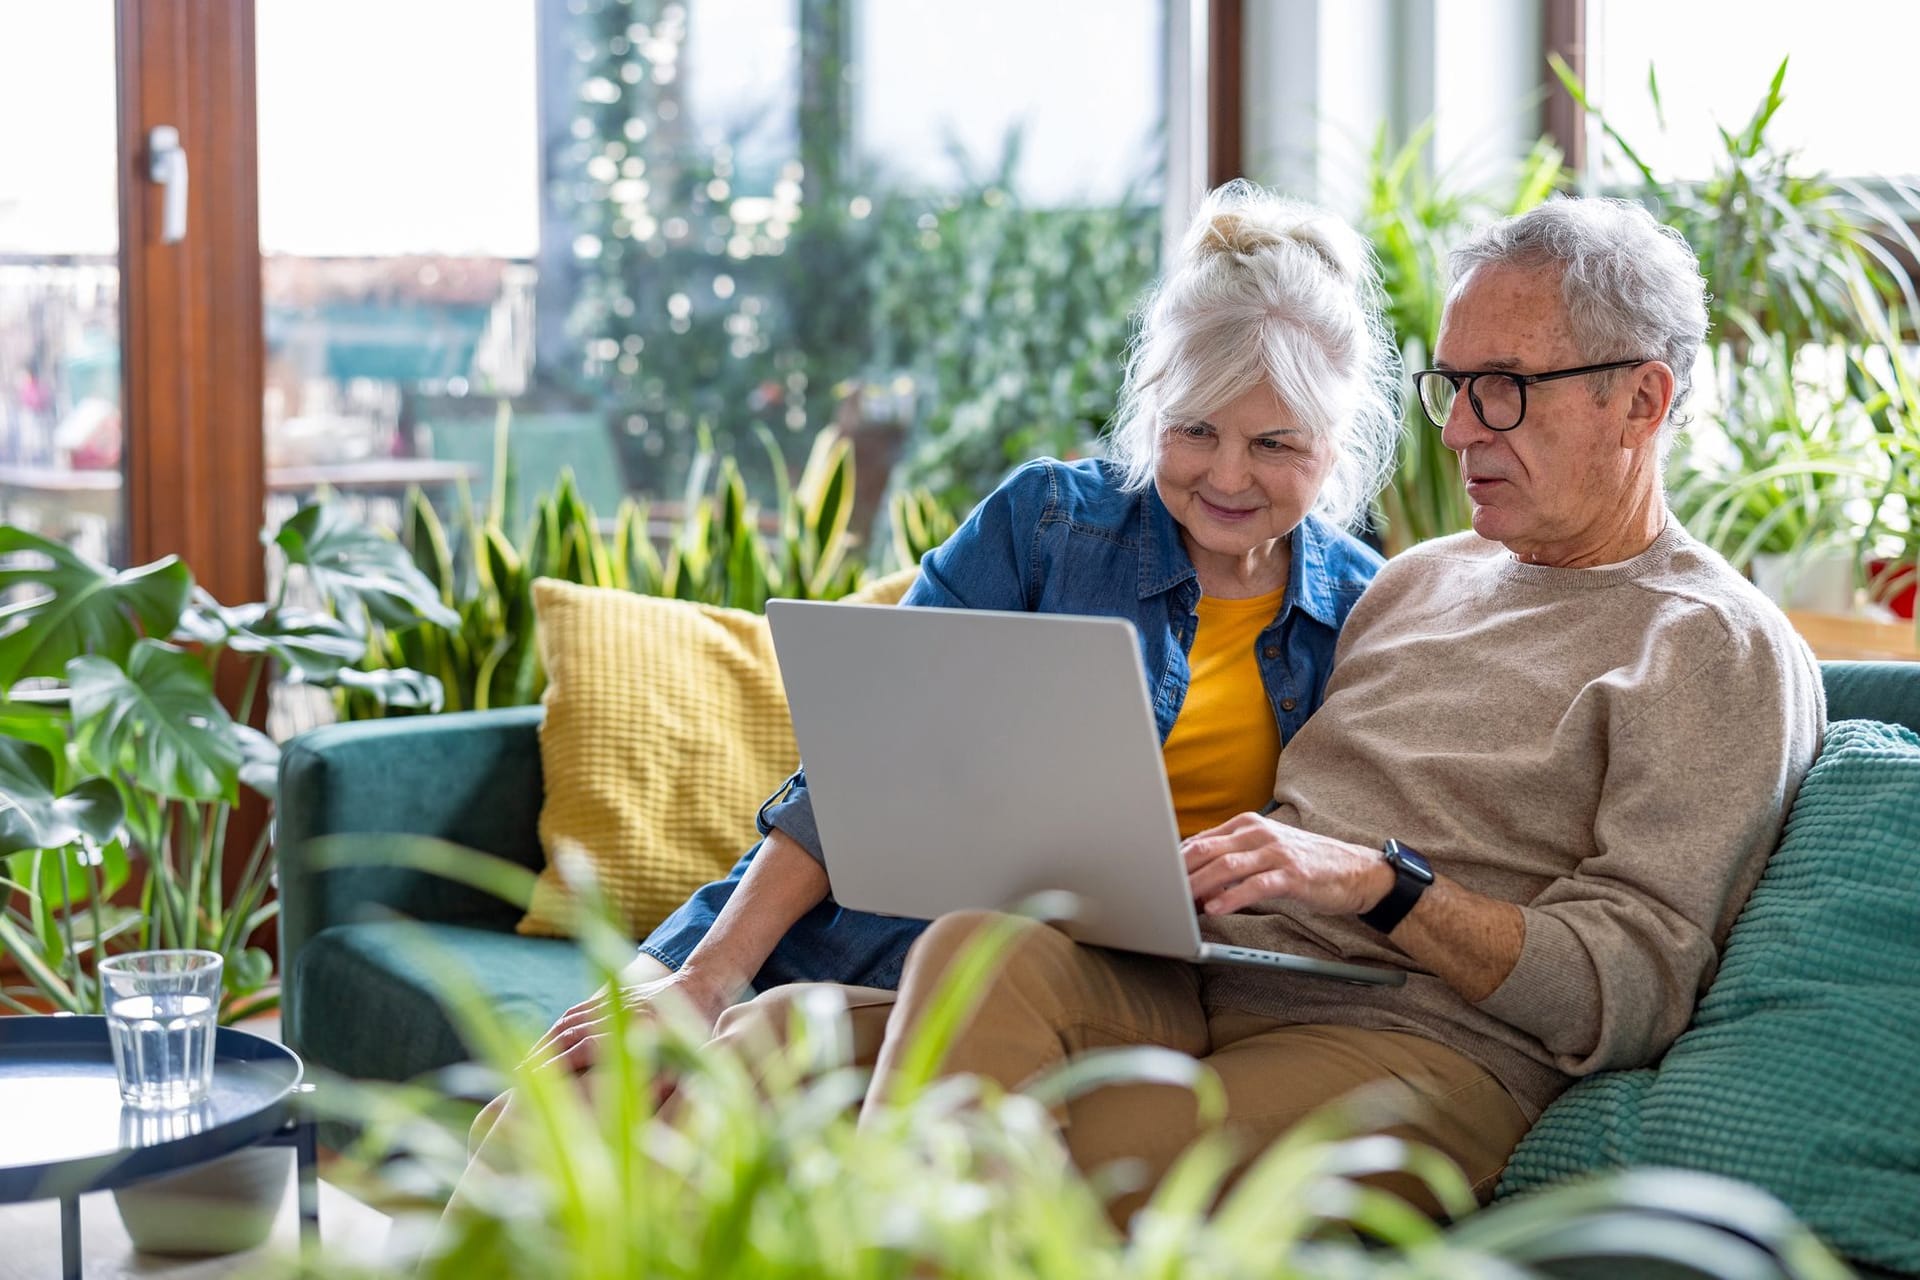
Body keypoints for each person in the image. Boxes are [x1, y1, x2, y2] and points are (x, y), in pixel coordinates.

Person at [701, 195, 1827, 1223]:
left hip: (1422, 1042)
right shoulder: (1414, 581)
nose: (1458, 430)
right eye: (1451, 384)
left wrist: (1386, 885)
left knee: (1030, 1141)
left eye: (1506, 388)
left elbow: (1632, 988)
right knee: (788, 1030)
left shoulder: (1714, 645)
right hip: (1212, 979)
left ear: (1643, 398)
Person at [519, 179, 1404, 1079]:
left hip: (1079, 985)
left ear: (1335, 444)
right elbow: (862, 761)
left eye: (1274, 444)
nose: (1225, 474)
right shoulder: (1049, 523)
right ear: (1153, 412)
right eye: (1195, 429)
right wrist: (708, 974)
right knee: (549, 1105)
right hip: (863, 926)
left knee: (716, 1086)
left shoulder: (1369, 616)